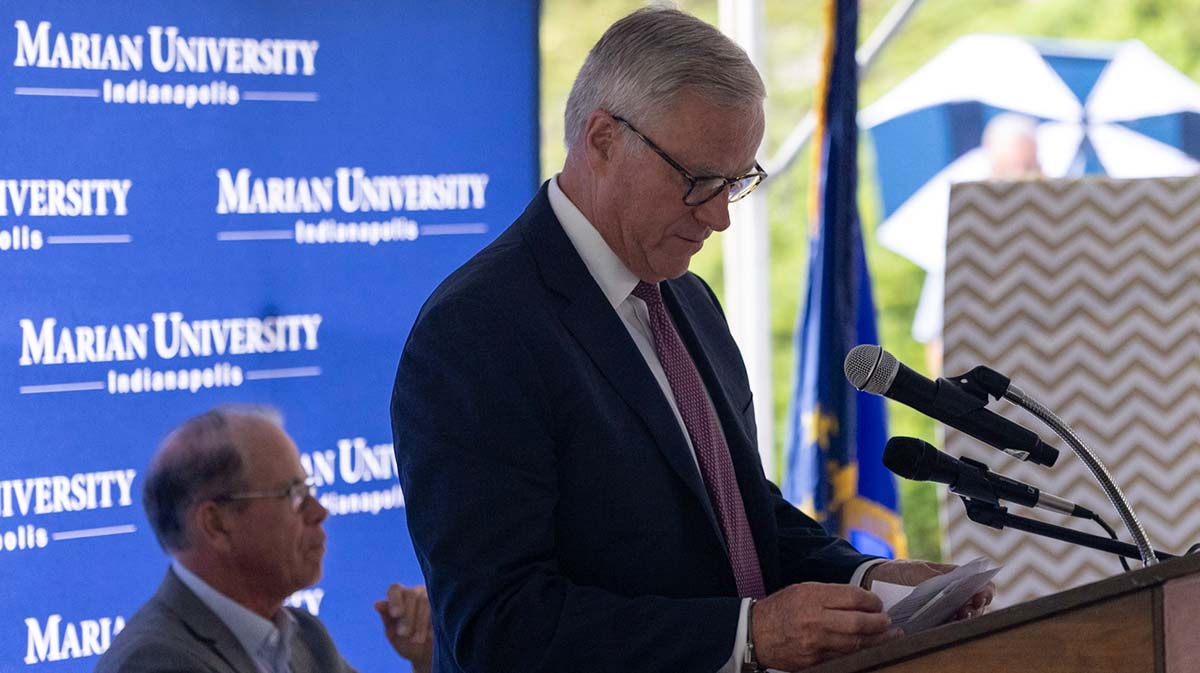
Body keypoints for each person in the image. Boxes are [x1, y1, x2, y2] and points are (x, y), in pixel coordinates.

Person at [390, 8, 991, 673]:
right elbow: (499, 627)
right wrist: (746, 635)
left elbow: (735, 510)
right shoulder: (476, 330)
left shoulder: (688, 297)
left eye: (736, 181)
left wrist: (866, 581)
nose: (719, 217)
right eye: (697, 181)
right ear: (602, 140)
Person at [95, 405, 431, 673]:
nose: (319, 511)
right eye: (294, 494)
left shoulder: (307, 638)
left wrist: (428, 659)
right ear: (217, 523)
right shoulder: (156, 661)